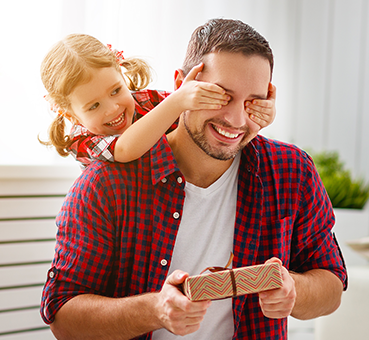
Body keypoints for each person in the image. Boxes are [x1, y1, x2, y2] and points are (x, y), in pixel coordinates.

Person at [40, 19, 347, 340]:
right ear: (182, 85)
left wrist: (293, 288)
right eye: (221, 96)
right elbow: (63, 318)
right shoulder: (104, 184)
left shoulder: (291, 170)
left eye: (253, 101)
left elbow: (332, 285)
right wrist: (155, 309)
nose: (236, 119)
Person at [40, 33, 276, 169]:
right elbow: (124, 149)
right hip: (126, 210)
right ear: (71, 115)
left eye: (115, 91)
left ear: (122, 74)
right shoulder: (82, 140)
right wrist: (177, 101)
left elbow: (198, 118)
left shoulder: (146, 101)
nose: (113, 108)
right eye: (93, 106)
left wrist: (255, 114)